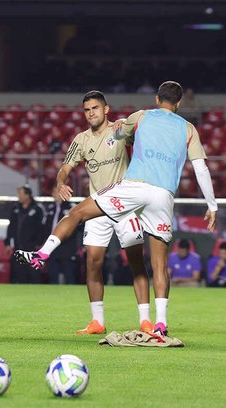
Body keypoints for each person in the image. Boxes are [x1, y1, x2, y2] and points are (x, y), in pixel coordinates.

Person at [15, 81, 218, 338]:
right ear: (179, 103)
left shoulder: (141, 116)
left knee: (76, 213)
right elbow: (201, 169)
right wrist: (211, 206)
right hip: (164, 195)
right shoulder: (189, 129)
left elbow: (121, 135)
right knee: (159, 263)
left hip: (131, 190)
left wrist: (122, 132)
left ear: (156, 99)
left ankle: (42, 254)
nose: (91, 113)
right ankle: (160, 324)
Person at [56, 90, 151, 334]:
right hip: (97, 209)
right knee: (93, 263)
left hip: (124, 207)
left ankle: (145, 320)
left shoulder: (119, 130)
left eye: (95, 108)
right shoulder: (81, 139)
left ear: (106, 109)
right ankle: (97, 321)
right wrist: (61, 181)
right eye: (87, 110)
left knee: (136, 262)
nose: (91, 113)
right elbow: (65, 167)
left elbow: (142, 130)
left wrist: (128, 126)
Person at [4, 185, 46, 284]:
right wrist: (8, 243)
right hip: (18, 246)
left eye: (20, 194)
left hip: (32, 248)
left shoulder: (37, 209)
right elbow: (11, 227)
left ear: (27, 195)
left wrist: (38, 244)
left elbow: (41, 228)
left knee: (33, 274)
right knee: (19, 273)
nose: (18, 196)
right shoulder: (15, 208)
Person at [44, 195, 79, 285]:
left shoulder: (72, 207)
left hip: (67, 246)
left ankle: (72, 296)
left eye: (56, 191)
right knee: (53, 274)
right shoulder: (50, 209)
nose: (53, 194)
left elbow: (78, 226)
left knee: (69, 274)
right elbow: (45, 227)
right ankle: (53, 296)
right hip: (52, 247)